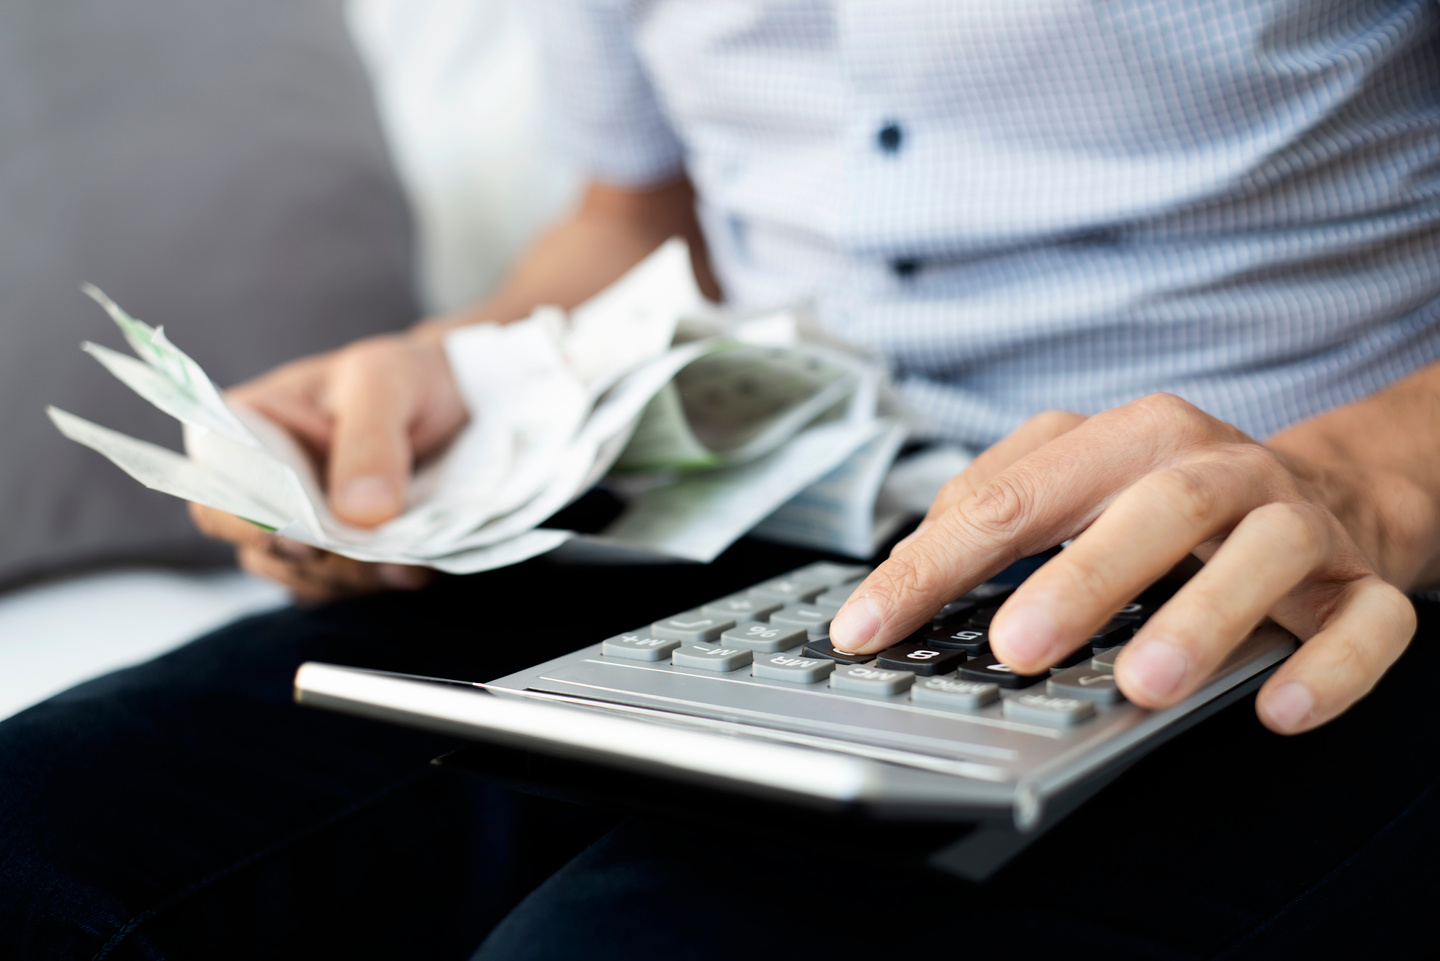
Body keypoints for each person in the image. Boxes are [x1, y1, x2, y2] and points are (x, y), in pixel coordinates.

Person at [5, 2, 1439, 958]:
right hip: (741, 513)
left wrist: (1359, 479)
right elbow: (639, 210)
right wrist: (472, 373)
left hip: (1283, 575)